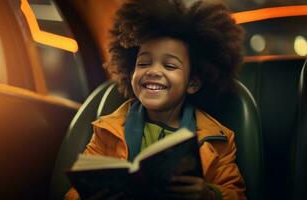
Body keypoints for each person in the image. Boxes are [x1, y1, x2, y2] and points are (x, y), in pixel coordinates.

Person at [66, 0, 246, 199]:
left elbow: (235, 192)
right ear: (130, 70)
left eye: (169, 66)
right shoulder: (107, 130)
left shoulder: (218, 139)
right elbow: (75, 191)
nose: (153, 71)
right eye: (143, 63)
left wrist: (209, 195)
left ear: (193, 83)